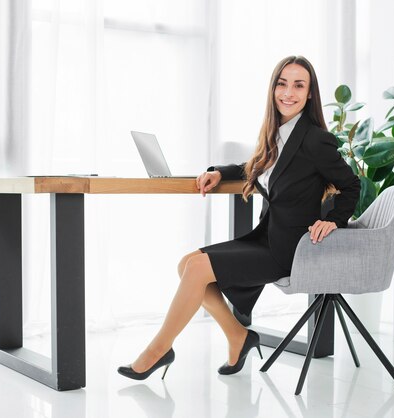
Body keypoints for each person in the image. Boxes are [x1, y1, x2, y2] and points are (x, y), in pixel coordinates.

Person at [117, 55, 360, 380]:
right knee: (186, 265)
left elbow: (351, 184)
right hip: (266, 237)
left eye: (298, 85)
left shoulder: (314, 139)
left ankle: (159, 349)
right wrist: (219, 172)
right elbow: (255, 167)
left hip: (290, 249)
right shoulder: (279, 134)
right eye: (282, 83)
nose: (288, 93)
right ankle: (238, 335)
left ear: (310, 93)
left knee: (197, 268)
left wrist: (335, 220)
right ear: (273, 88)